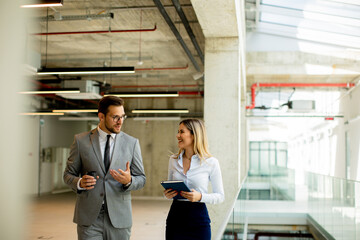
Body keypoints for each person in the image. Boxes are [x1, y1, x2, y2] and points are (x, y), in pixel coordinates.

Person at [63, 96, 146, 240]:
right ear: (101, 116)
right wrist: (79, 183)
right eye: (115, 117)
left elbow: (141, 179)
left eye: (122, 117)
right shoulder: (81, 141)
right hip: (89, 218)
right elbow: (68, 175)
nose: (120, 122)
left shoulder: (131, 143)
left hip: (119, 217)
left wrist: (129, 180)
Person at [164, 119, 225, 240]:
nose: (178, 135)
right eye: (178, 132)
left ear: (194, 135)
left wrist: (200, 197)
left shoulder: (211, 162)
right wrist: (167, 194)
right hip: (175, 217)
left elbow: (220, 196)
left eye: (182, 132)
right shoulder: (173, 160)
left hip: (199, 220)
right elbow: (169, 187)